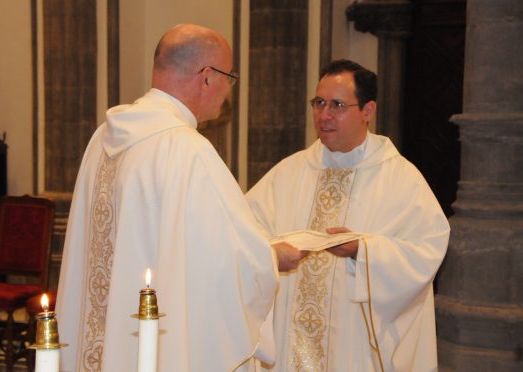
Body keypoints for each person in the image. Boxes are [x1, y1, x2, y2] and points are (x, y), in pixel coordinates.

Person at [55, 24, 305, 372]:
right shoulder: (186, 149)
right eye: (228, 78)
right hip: (147, 343)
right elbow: (228, 257)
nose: (227, 91)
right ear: (207, 77)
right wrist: (272, 256)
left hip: (103, 336)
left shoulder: (102, 137)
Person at [246, 59, 450, 372]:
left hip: (353, 344)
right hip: (291, 339)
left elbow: (427, 248)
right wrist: (271, 253)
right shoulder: (288, 172)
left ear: (368, 111)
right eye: (319, 103)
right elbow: (245, 231)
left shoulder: (399, 178)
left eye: (338, 105)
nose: (324, 115)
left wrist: (362, 249)